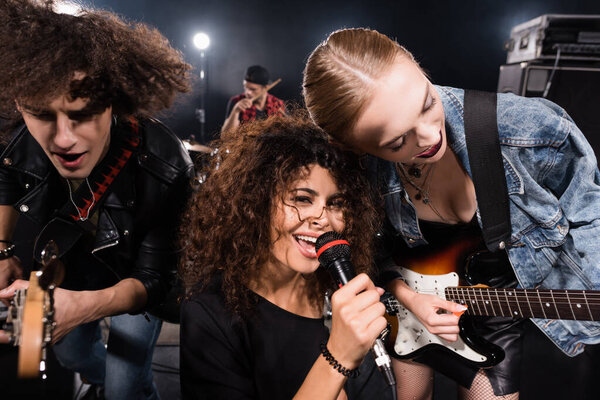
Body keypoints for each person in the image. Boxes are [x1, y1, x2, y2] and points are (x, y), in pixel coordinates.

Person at [303, 28, 600, 400]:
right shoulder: (359, 170)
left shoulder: (531, 129)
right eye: (398, 142)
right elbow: (371, 252)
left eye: (428, 102)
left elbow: (593, 221)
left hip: (499, 311)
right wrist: (409, 298)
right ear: (354, 148)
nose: (429, 137)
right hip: (413, 311)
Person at [0, 1, 194, 399]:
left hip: (131, 275)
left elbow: (156, 282)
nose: (64, 139)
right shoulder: (18, 136)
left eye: (82, 114)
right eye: (42, 114)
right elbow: (5, 175)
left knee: (126, 390)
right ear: (20, 104)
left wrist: (85, 307)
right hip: (57, 264)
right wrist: (2, 250)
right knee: (48, 354)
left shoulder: (166, 163)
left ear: (114, 101)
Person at [180, 114, 393, 399]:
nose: (322, 218)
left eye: (336, 204)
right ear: (257, 203)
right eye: (303, 199)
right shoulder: (210, 314)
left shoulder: (341, 290)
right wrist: (337, 358)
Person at [220, 65, 286, 134]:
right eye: (245, 87)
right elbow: (225, 137)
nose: (247, 92)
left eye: (253, 89)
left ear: (266, 88)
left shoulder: (278, 104)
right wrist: (235, 111)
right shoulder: (236, 101)